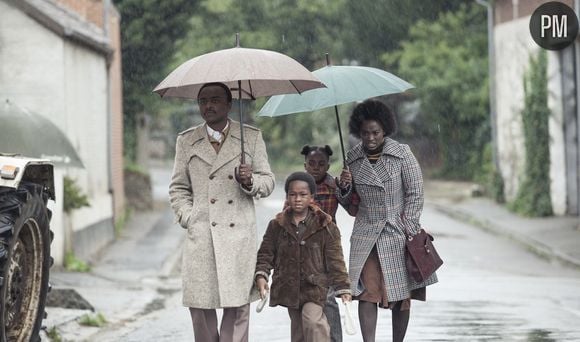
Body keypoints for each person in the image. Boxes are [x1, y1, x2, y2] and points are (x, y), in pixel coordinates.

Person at [169, 82, 275, 342]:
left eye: (216, 99)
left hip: (238, 236)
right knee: (201, 307)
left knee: (238, 307)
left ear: (229, 104)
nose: (209, 105)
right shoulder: (186, 141)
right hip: (202, 235)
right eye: (203, 100)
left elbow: (268, 181)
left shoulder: (250, 137)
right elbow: (178, 187)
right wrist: (189, 217)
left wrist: (250, 182)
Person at [337, 99, 438, 342]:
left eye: (375, 132)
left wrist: (409, 225)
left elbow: (415, 192)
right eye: (365, 133)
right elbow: (351, 206)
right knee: (366, 293)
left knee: (400, 296)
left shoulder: (402, 154)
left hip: (398, 233)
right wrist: (344, 187)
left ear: (385, 131)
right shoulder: (352, 159)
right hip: (366, 234)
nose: (370, 138)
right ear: (357, 132)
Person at [254, 172, 352, 342]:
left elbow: (336, 260)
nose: (297, 199)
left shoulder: (325, 225)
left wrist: (343, 287)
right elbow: (265, 253)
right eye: (292, 194)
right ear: (287, 197)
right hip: (288, 287)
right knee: (298, 332)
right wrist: (262, 275)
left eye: (303, 194)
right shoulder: (277, 225)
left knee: (313, 321)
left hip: (315, 287)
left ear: (312, 197)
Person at [300, 144, 358, 342]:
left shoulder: (333, 185)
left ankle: (334, 339)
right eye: (312, 163)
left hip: (327, 247)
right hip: (302, 248)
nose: (316, 167)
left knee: (329, 298)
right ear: (305, 165)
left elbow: (351, 207)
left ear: (328, 165)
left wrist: (347, 186)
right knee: (304, 298)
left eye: (321, 164)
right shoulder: (298, 187)